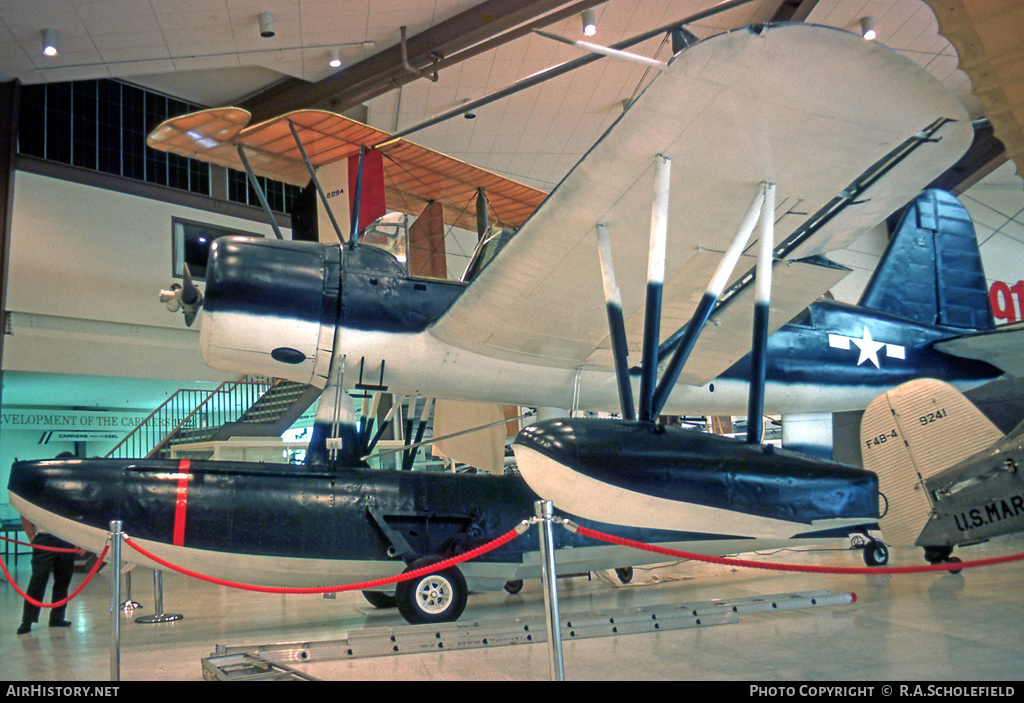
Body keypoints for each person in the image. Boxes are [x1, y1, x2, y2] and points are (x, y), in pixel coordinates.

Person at [16, 516, 81, 635]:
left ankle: (57, 618)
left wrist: (81, 541)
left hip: (67, 538)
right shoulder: (40, 496)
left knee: (63, 580)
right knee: (38, 579)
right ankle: (27, 620)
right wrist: (31, 536)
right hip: (45, 537)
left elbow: (78, 515)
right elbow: (25, 513)